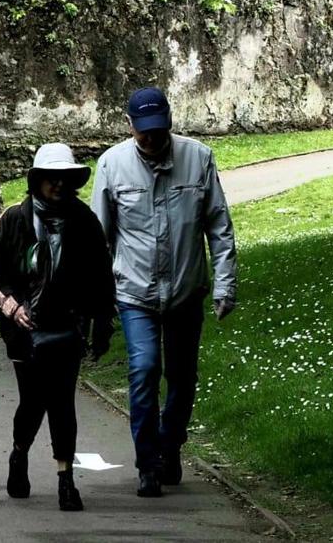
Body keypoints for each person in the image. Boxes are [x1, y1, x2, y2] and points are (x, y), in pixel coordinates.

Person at [92, 87, 237, 498]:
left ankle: (170, 444)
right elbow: (98, 239)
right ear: (131, 127)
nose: (152, 141)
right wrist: (95, 300)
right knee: (144, 370)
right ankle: (148, 463)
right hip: (134, 291)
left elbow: (219, 228)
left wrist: (225, 285)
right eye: (144, 134)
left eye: (158, 132)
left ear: (170, 123)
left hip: (185, 290)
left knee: (182, 376)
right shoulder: (112, 165)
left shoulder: (198, 159)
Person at [0, 143, 116, 512]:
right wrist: (11, 306)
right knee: (33, 401)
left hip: (66, 325)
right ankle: (19, 453)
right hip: (22, 329)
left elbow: (101, 276)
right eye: (51, 178)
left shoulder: (84, 221)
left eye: (65, 179)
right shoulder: (13, 219)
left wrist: (101, 323)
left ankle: (65, 479)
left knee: (62, 402)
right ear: (36, 181)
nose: (58, 185)